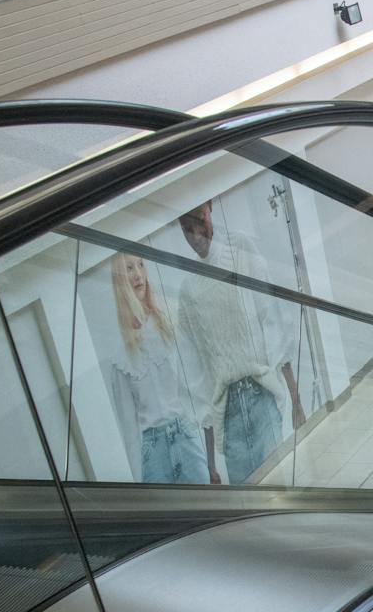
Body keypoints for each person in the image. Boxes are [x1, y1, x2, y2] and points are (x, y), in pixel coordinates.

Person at [170, 200, 306, 484]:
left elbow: (272, 323)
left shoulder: (242, 249)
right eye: (187, 229)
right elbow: (197, 374)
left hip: (261, 396)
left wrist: (296, 400)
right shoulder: (189, 290)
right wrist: (210, 465)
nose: (196, 235)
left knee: (279, 488)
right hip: (227, 414)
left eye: (200, 221)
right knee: (250, 506)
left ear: (209, 208)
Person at [106, 253, 209, 485]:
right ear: (120, 281)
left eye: (141, 265)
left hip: (183, 433)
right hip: (151, 451)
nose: (137, 274)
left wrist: (202, 429)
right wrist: (138, 479)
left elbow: (191, 383)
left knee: (209, 505)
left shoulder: (168, 324)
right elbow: (128, 426)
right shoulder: (119, 354)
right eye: (129, 268)